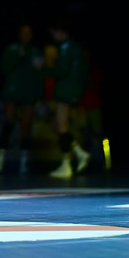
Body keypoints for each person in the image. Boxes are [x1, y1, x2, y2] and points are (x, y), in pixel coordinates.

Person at [0, 24, 45, 174]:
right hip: (12, 93)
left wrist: (40, 97)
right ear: (19, 34)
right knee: (8, 123)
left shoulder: (35, 51)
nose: (26, 36)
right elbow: (4, 68)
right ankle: (0, 160)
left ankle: (24, 162)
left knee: (26, 126)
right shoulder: (11, 49)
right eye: (23, 33)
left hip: (28, 94)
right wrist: (18, 57)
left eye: (28, 33)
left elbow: (39, 74)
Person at [47, 20, 92, 179]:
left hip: (66, 91)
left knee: (62, 126)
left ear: (60, 31)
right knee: (57, 125)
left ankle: (66, 165)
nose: (52, 36)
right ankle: (80, 153)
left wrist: (44, 68)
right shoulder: (74, 47)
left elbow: (62, 71)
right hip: (70, 90)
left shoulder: (67, 47)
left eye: (53, 32)